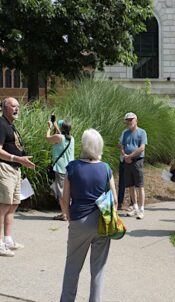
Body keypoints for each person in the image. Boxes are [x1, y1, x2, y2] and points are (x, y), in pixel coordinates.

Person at [60, 129, 115, 302]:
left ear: (84, 145)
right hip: (101, 222)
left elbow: (64, 198)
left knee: (72, 267)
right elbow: (114, 198)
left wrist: (68, 215)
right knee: (98, 269)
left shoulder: (73, 167)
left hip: (79, 220)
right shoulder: (105, 168)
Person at [0, 97, 36, 257]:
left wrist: (23, 161)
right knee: (3, 205)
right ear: (5, 107)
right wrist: (17, 159)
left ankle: (7, 239)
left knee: (13, 204)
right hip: (4, 168)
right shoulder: (0, 125)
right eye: (13, 106)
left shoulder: (10, 125)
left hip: (15, 169)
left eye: (18, 106)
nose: (17, 109)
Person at [118, 112, 147, 219]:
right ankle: (134, 206)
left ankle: (141, 209)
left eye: (131, 119)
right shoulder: (125, 133)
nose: (129, 122)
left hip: (137, 161)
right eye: (128, 120)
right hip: (127, 161)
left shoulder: (142, 132)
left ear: (136, 120)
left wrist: (130, 156)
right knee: (130, 185)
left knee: (140, 185)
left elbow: (142, 147)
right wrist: (125, 155)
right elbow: (121, 145)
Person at [46, 119, 75, 221]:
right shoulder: (71, 138)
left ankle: (64, 215)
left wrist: (50, 127)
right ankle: (67, 212)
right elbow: (60, 135)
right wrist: (56, 126)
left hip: (61, 168)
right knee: (68, 191)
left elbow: (47, 138)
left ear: (61, 128)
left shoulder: (59, 137)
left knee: (61, 192)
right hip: (70, 168)